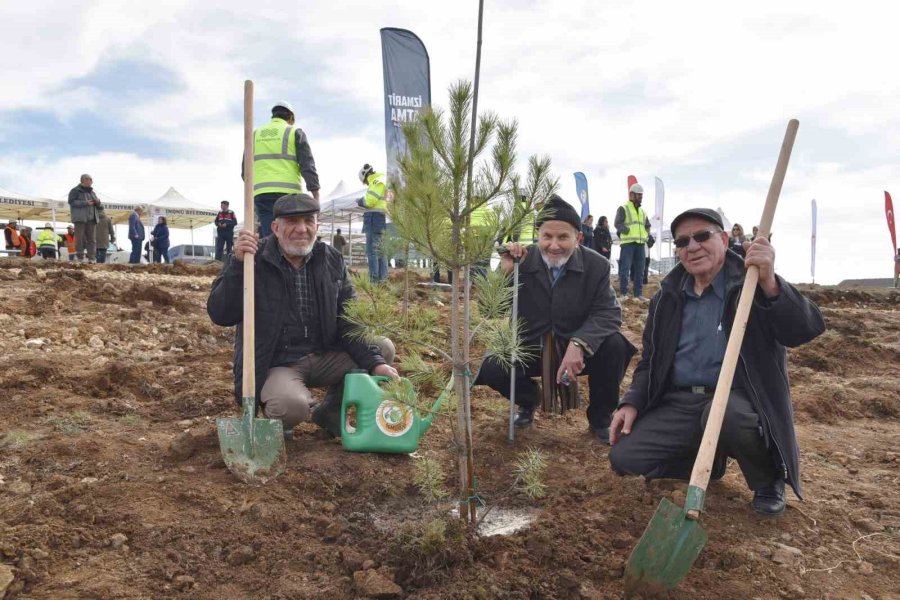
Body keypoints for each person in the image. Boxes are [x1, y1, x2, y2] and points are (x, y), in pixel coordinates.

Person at [608, 208, 826, 516]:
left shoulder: (751, 285)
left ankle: (768, 480)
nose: (692, 246)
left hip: (735, 401)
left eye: (702, 236)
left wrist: (771, 283)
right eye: (683, 242)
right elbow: (651, 360)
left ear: (724, 239)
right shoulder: (667, 296)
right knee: (625, 459)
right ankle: (705, 461)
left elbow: (804, 329)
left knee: (725, 415)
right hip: (680, 401)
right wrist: (630, 402)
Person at [207, 193, 399, 438]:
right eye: (292, 222)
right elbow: (220, 313)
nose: (302, 229)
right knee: (291, 407)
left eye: (309, 221)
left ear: (317, 226)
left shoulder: (331, 259)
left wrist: (376, 363)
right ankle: (279, 416)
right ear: (275, 228)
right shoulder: (253, 259)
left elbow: (349, 321)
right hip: (278, 364)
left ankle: (330, 411)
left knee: (382, 348)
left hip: (323, 355)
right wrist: (236, 264)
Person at [475, 195, 636, 442]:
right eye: (547, 237)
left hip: (576, 348)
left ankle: (600, 419)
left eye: (563, 237)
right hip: (530, 346)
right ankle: (529, 400)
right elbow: (489, 310)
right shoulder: (521, 262)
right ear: (537, 235)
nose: (554, 245)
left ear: (578, 238)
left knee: (614, 346)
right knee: (492, 365)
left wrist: (580, 343)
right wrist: (504, 273)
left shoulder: (597, 266)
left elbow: (608, 313)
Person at [246, 101, 320, 238]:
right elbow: (307, 164)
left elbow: (245, 171)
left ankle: (267, 258)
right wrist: (315, 193)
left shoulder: (255, 134)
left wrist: (255, 187)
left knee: (269, 235)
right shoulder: (294, 132)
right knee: (289, 235)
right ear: (290, 117)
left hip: (262, 193)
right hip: (289, 195)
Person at [615, 183, 652, 301]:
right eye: (639, 195)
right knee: (625, 269)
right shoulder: (623, 208)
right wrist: (627, 231)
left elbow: (647, 226)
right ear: (631, 195)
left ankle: (638, 294)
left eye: (641, 195)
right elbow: (617, 223)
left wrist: (647, 236)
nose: (641, 197)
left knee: (640, 270)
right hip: (628, 244)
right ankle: (624, 293)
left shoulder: (643, 212)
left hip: (640, 244)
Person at [357, 163, 389, 282]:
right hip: (379, 218)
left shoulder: (375, 182)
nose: (366, 184)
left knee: (372, 251)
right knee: (381, 251)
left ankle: (374, 281)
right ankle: (383, 279)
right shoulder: (381, 180)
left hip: (373, 219)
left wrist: (360, 201)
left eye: (365, 182)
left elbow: (369, 201)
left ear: (366, 176)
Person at [67, 174, 102, 263]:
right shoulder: (75, 190)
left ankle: (92, 258)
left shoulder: (92, 192)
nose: (92, 182)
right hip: (80, 219)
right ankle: (80, 257)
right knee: (80, 238)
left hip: (92, 219)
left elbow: (100, 207)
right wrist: (85, 203)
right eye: (90, 180)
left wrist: (98, 202)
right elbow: (71, 202)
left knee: (92, 239)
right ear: (84, 180)